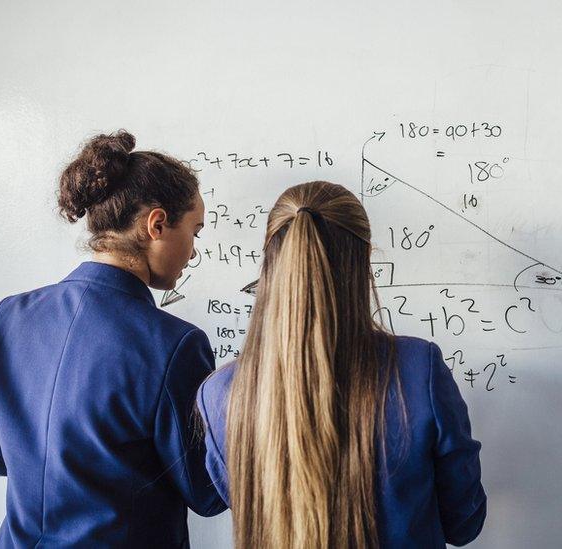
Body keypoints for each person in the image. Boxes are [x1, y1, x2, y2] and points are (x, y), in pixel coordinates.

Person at [196, 181, 487, 548]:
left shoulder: (221, 395)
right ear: (364, 262)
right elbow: (465, 524)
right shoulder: (419, 371)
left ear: (271, 264)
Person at [0, 130, 226, 547]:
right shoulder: (174, 345)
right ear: (157, 224)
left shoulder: (8, 317)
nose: (193, 252)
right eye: (195, 231)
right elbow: (207, 492)